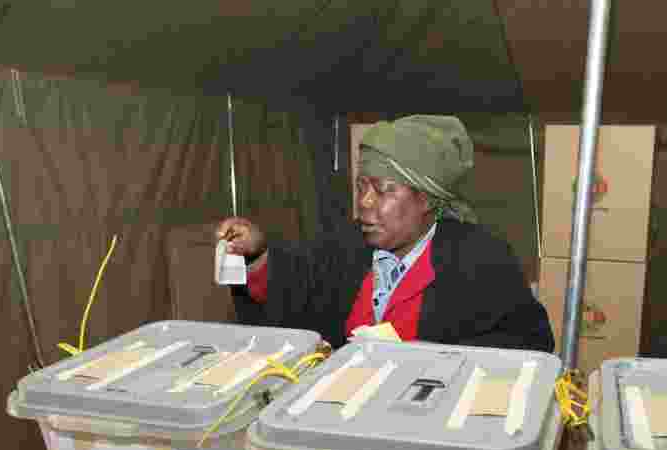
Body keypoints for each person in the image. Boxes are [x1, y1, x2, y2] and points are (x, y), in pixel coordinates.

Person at [216, 115, 555, 353]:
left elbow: (528, 344)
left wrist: (425, 357)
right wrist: (258, 255)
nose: (364, 203)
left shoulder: (480, 260)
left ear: (426, 199)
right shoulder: (345, 246)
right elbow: (293, 291)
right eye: (362, 186)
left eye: (383, 190)